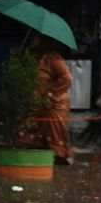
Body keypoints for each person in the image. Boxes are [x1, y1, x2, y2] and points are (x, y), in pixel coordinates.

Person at [28, 32, 74, 165]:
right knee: (29, 133)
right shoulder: (34, 57)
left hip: (55, 103)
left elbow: (67, 79)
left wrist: (51, 95)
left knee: (55, 138)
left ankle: (59, 161)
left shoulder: (54, 58)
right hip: (38, 103)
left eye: (35, 37)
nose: (32, 40)